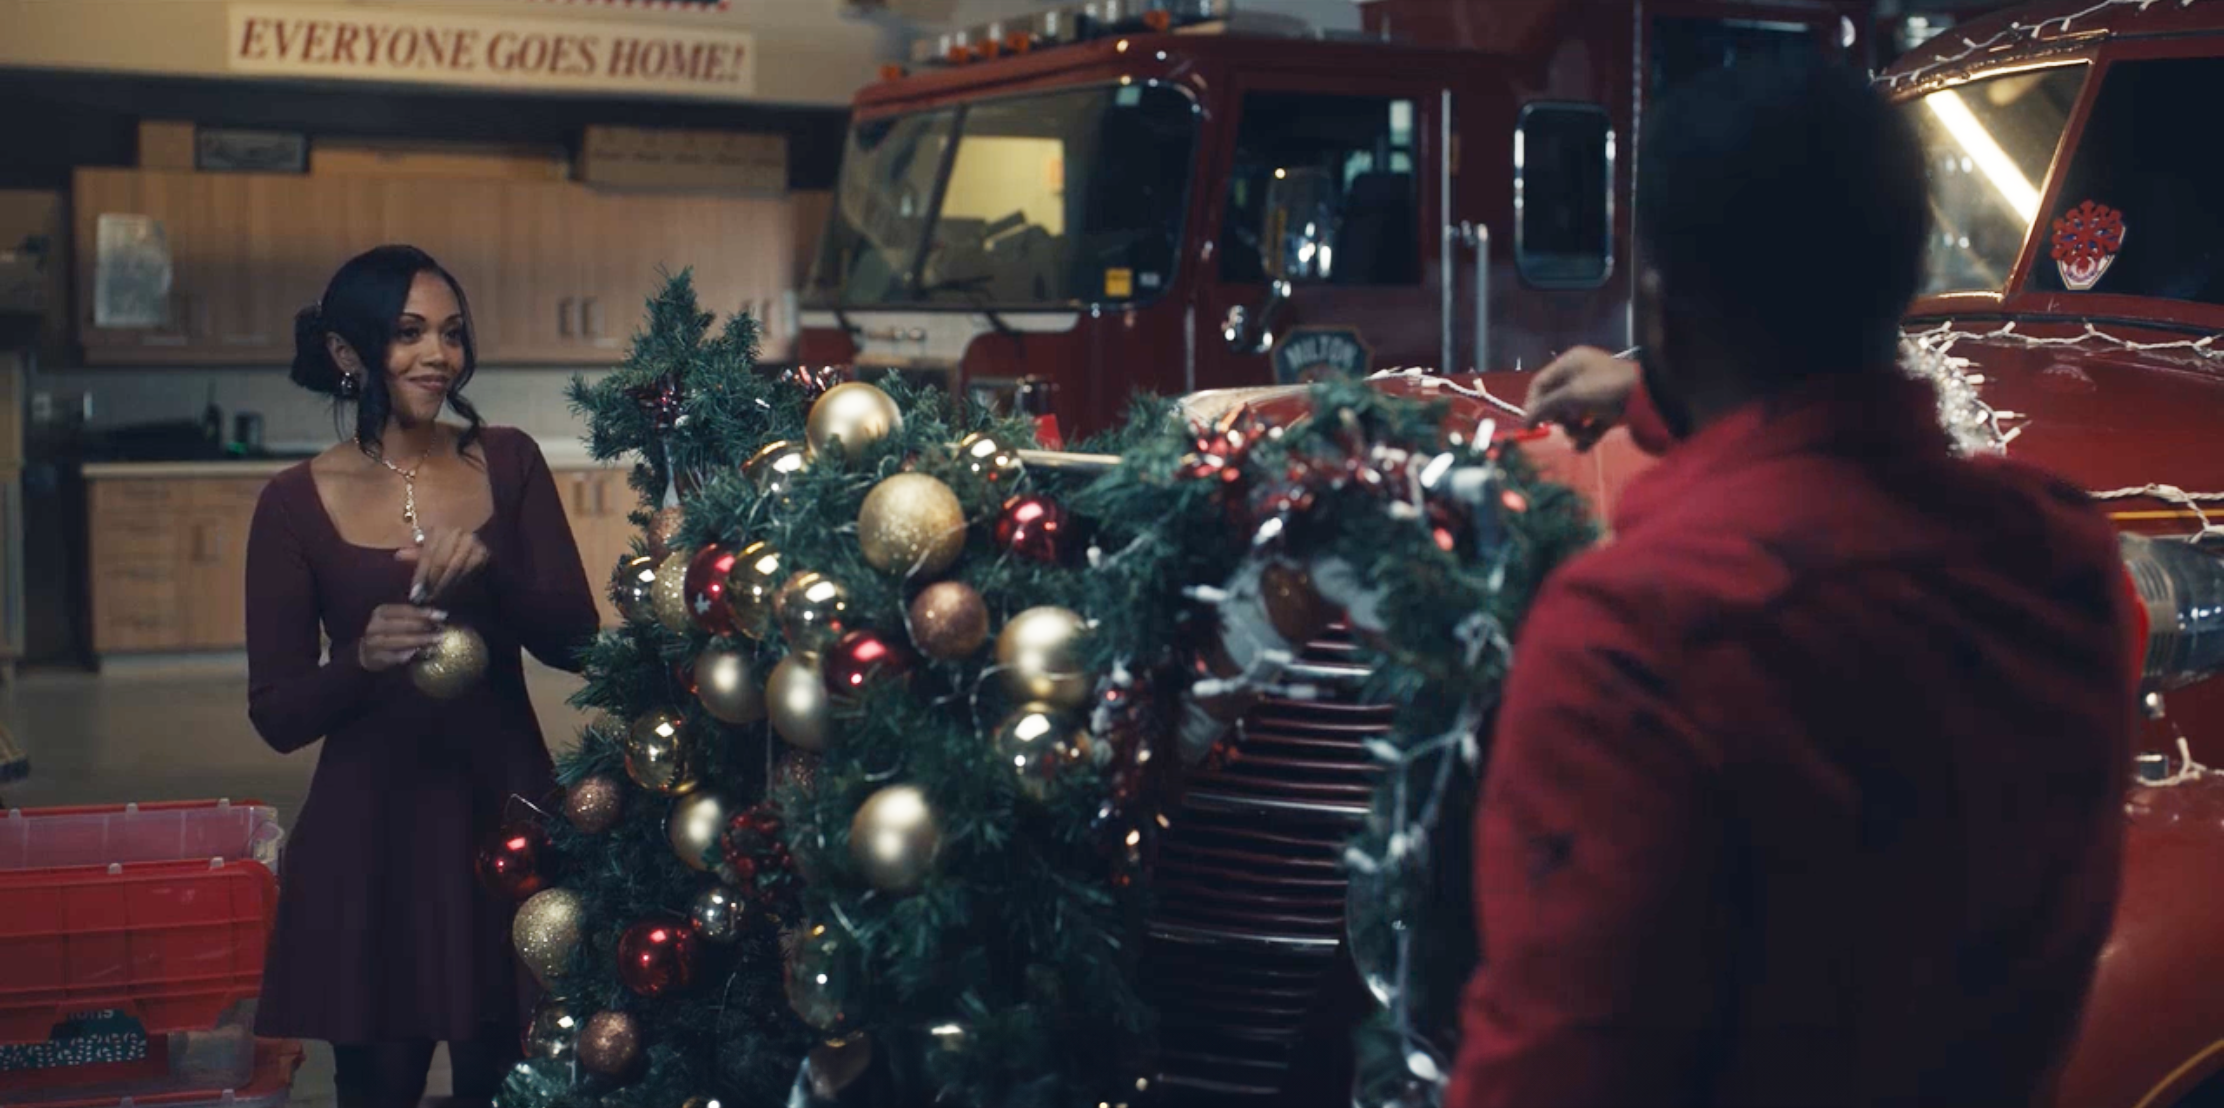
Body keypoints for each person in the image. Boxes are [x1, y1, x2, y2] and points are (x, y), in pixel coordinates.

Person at [1445, 62, 2136, 1107]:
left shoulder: (1632, 635)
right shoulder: (2064, 563)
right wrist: (1663, 391)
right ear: (1903, 274)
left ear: (1662, 306)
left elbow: (1553, 1066)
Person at [245, 246, 600, 1108]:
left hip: (504, 824)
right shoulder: (291, 502)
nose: (438, 355)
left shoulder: (510, 461)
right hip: (371, 844)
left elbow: (577, 644)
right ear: (347, 351)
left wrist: (492, 571)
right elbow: (279, 715)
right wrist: (361, 659)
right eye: (408, 333)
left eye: (450, 332)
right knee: (379, 1086)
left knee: (509, 1084)